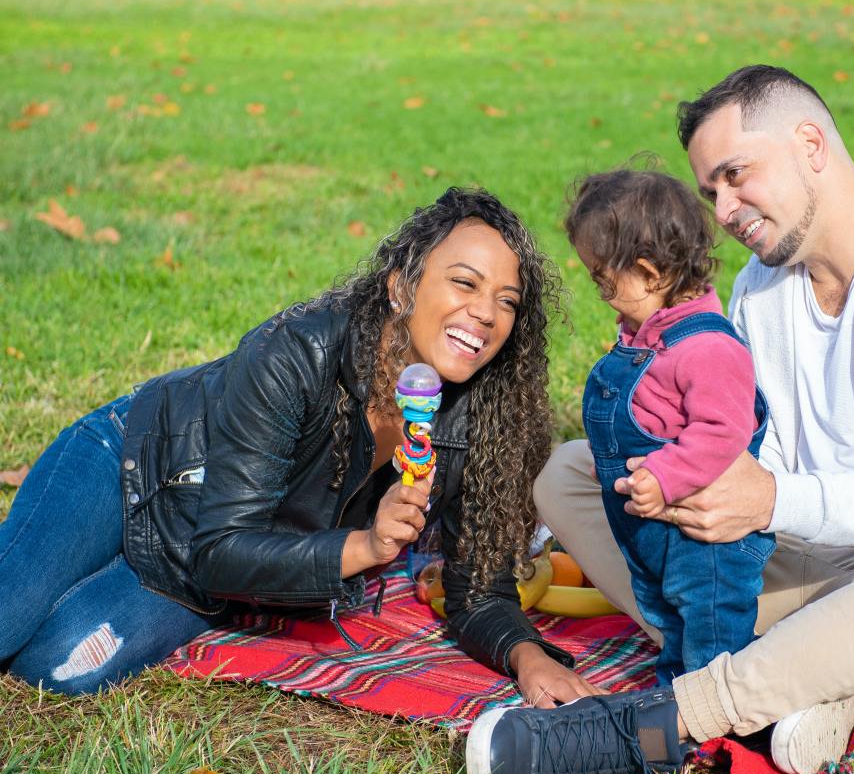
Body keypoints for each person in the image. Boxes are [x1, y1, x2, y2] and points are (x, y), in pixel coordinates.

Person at [466, 65, 854, 774]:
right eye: (710, 191)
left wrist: (770, 499)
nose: (723, 209)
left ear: (811, 144)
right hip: (805, 563)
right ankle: (805, 679)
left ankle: (659, 725)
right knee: (573, 471)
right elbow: (741, 441)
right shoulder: (764, 284)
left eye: (736, 174)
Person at [0, 188, 596, 707]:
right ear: (401, 287)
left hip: (204, 570)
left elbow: (477, 585)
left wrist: (527, 657)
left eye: (508, 301)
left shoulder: (478, 413)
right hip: (135, 463)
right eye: (464, 282)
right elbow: (226, 543)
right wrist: (363, 545)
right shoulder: (295, 353)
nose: (487, 313)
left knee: (53, 669)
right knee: (9, 610)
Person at [565, 168, 773, 686]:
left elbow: (722, 433)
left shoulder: (707, 347)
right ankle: (675, 689)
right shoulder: (644, 337)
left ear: (650, 274)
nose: (599, 291)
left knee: (710, 631)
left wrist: (664, 475)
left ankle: (712, 717)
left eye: (603, 279)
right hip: (655, 535)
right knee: (669, 621)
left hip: (706, 545)